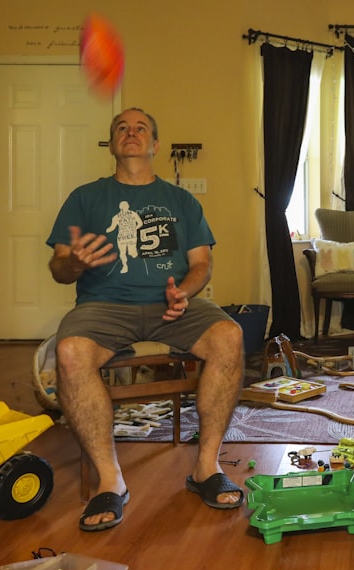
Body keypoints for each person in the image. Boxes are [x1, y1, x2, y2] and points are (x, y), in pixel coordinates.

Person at [47, 107, 245, 532]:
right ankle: (110, 480)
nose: (131, 132)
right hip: (103, 306)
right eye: (122, 127)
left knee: (229, 335)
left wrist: (184, 292)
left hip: (172, 305)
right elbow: (59, 267)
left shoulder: (181, 201)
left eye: (141, 128)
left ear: (154, 144)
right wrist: (76, 264)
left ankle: (206, 469)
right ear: (113, 144)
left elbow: (202, 263)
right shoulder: (85, 198)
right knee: (69, 351)